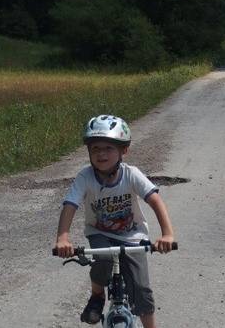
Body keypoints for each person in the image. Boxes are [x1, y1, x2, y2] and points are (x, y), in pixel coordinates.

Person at [54, 115, 174, 328]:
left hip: (133, 235)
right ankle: (98, 295)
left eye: (108, 148)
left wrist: (167, 234)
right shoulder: (85, 177)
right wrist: (63, 238)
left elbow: (155, 200)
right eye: (95, 148)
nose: (101, 154)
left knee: (142, 289)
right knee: (104, 261)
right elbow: (70, 204)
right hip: (100, 233)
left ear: (123, 151)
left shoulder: (131, 174)